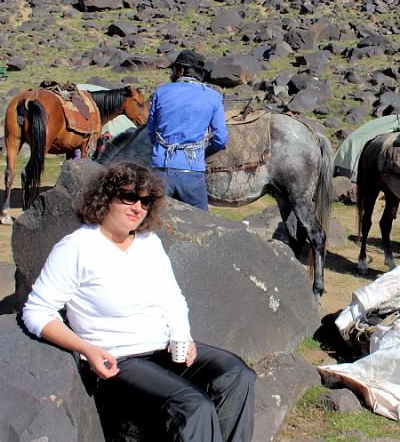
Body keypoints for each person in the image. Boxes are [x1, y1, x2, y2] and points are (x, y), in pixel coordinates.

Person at [22, 162, 255, 442]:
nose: (138, 207)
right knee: (193, 407)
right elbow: (37, 312)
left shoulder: (148, 242)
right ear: (105, 196)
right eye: (129, 196)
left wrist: (183, 336)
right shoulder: (77, 247)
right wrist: (86, 349)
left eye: (145, 201)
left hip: (164, 349)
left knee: (237, 375)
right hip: (119, 360)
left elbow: (172, 297)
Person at [147, 50, 228, 211]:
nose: (172, 74)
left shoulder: (161, 92)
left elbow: (151, 132)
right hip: (192, 172)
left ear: (181, 70)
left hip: (161, 170)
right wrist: (202, 152)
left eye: (173, 70)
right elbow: (221, 138)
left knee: (154, 222)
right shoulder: (213, 97)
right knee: (200, 223)